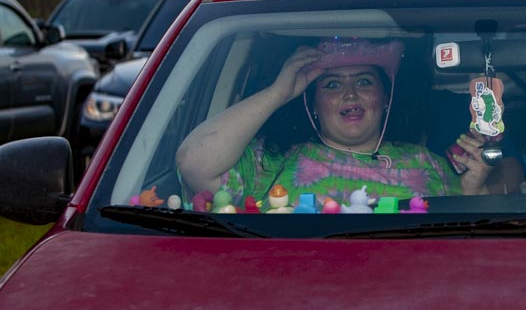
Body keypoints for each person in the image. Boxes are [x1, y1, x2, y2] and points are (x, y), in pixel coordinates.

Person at [175, 38, 495, 210]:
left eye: (364, 81)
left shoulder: (428, 164)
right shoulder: (274, 163)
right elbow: (193, 163)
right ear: (314, 105)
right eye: (332, 85)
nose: (349, 94)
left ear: (385, 98)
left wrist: (473, 191)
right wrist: (276, 94)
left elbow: (464, 241)